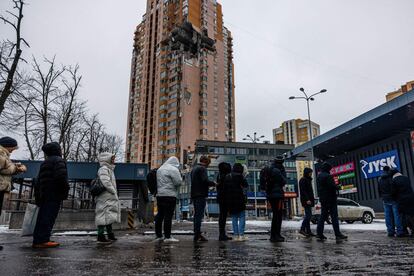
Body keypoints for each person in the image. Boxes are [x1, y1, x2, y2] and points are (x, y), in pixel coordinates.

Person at [33, 142, 69, 248]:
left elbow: (38, 181)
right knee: (49, 217)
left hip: (44, 194)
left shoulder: (45, 162)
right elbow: (61, 177)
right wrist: (65, 190)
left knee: (42, 217)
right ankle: (42, 240)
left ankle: (39, 239)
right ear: (57, 150)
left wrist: (38, 196)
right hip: (54, 194)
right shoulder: (58, 160)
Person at [0, 137, 27, 250]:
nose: (13, 150)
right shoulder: (1, 153)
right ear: (8, 146)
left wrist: (15, 168)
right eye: (13, 148)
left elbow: (5, 168)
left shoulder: (4, 155)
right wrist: (16, 168)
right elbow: (4, 168)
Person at [316, 162, 347, 241]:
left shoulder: (319, 176)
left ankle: (319, 233)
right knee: (334, 216)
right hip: (331, 199)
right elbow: (332, 187)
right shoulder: (328, 176)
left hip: (323, 199)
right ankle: (338, 234)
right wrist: (338, 187)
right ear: (328, 169)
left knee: (323, 216)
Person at [155, 156, 182, 243]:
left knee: (160, 215)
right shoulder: (173, 169)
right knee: (168, 216)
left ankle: (159, 235)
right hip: (169, 195)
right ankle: (168, 236)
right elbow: (178, 182)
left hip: (160, 195)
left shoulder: (160, 169)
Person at [95, 152, 121, 244]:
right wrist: (113, 191)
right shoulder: (104, 169)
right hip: (105, 196)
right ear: (107, 159)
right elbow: (105, 181)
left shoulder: (109, 169)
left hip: (108, 196)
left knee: (108, 215)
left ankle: (110, 234)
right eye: (112, 159)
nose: (114, 160)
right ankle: (100, 235)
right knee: (102, 215)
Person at [260, 156, 287, 242]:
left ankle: (274, 235)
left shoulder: (267, 169)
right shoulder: (277, 171)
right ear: (281, 162)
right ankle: (276, 235)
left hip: (270, 194)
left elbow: (262, 183)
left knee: (275, 214)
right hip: (278, 195)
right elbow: (283, 182)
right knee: (278, 215)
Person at [191, 155, 216, 242]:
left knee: (196, 215)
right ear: (206, 162)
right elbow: (205, 181)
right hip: (200, 194)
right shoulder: (203, 169)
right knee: (199, 215)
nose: (208, 165)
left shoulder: (194, 168)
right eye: (208, 163)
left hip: (194, 194)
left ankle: (196, 233)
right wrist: (214, 183)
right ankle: (197, 234)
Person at [224, 163, 249, 241]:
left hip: (231, 199)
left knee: (234, 217)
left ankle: (235, 235)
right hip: (240, 198)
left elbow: (225, 188)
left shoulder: (228, 176)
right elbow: (246, 186)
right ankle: (241, 235)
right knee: (242, 216)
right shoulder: (241, 176)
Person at [378, 166, 404, 237]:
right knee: (396, 215)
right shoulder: (391, 178)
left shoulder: (380, 179)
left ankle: (390, 231)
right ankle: (399, 231)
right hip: (393, 198)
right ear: (388, 170)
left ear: (383, 170)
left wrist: (382, 197)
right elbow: (393, 189)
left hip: (385, 199)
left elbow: (379, 190)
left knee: (388, 216)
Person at [391, 169, 414, 236]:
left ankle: (405, 230)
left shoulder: (394, 180)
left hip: (401, 200)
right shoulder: (406, 178)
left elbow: (393, 192)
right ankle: (413, 230)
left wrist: (395, 199)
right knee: (411, 215)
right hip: (411, 198)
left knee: (403, 216)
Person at [216, 162, 232, 241]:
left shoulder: (219, 175)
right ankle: (222, 235)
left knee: (222, 216)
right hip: (225, 198)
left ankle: (222, 234)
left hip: (220, 197)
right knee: (223, 217)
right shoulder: (226, 176)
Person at [299, 167, 316, 237]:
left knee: (308, 215)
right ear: (307, 173)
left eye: (311, 173)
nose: (311, 174)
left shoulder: (308, 180)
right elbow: (303, 191)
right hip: (306, 200)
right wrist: (307, 200)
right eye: (310, 173)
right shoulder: (303, 180)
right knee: (308, 216)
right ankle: (302, 229)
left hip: (309, 200)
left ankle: (308, 231)